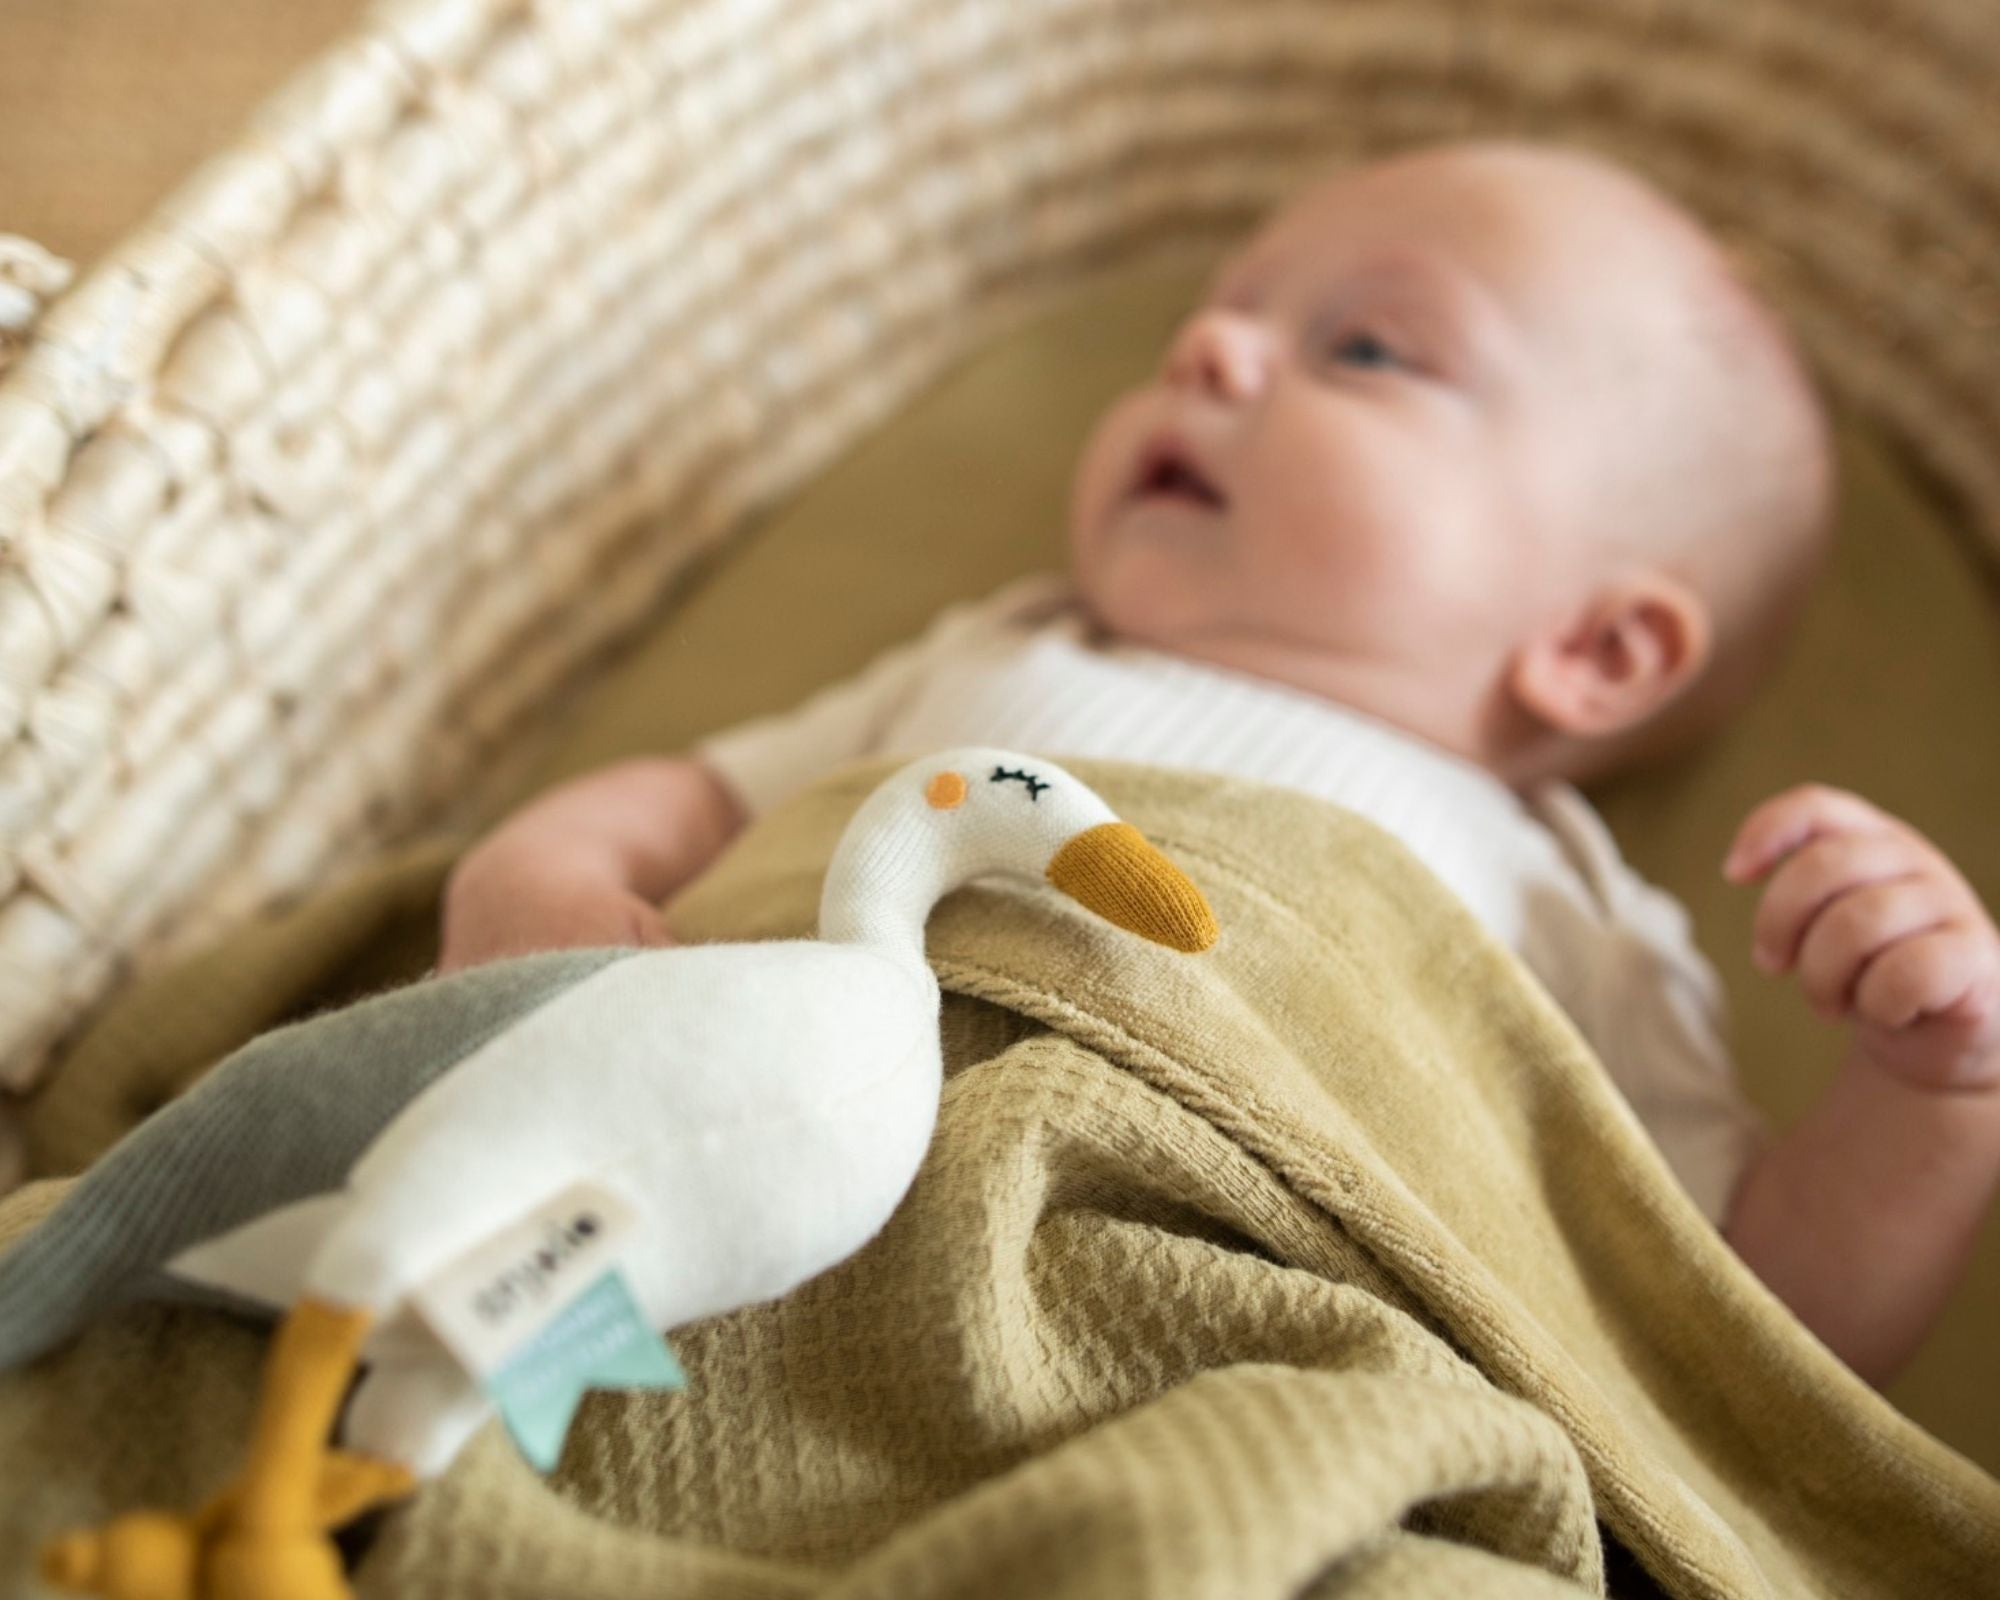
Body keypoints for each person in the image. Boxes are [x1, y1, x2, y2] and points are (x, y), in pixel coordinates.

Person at [434, 138, 2000, 1391]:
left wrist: (1931, 1089)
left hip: (1220, 1384)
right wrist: (539, 873)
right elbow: (702, 799)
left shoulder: (1558, 909)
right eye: (1226, 309)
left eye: (1368, 346)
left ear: (1593, 651)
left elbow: (1744, 1324)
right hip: (743, 1243)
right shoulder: (1004, 651)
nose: (1211, 346)